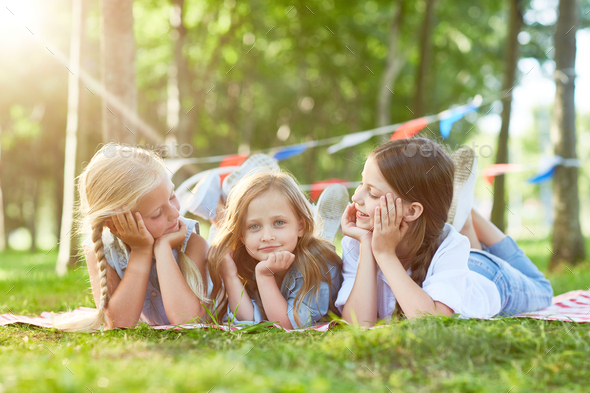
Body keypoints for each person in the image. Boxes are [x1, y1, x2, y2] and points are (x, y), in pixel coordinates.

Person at [336, 138, 552, 327]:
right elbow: (358, 323)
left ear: (411, 211)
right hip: (456, 266)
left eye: (372, 193)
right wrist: (367, 246)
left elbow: (432, 321)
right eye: (361, 183)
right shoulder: (359, 240)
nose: (355, 197)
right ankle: (463, 217)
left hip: (490, 276)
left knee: (543, 290)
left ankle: (467, 215)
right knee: (463, 246)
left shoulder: (451, 245)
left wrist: (385, 254)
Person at [53, 144, 209, 332]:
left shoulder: (190, 240)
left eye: (172, 196)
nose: (175, 213)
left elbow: (188, 320)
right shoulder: (101, 249)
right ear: (115, 222)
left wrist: (163, 250)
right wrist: (141, 252)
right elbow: (118, 323)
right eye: (157, 213)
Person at [207, 171, 343, 329]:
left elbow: (288, 325)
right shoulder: (247, 260)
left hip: (316, 263)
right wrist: (230, 275)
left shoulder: (316, 263)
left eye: (279, 222)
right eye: (254, 226)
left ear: (300, 226)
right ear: (242, 236)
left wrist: (264, 276)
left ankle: (324, 236)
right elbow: (249, 319)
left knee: (319, 248)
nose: (267, 236)